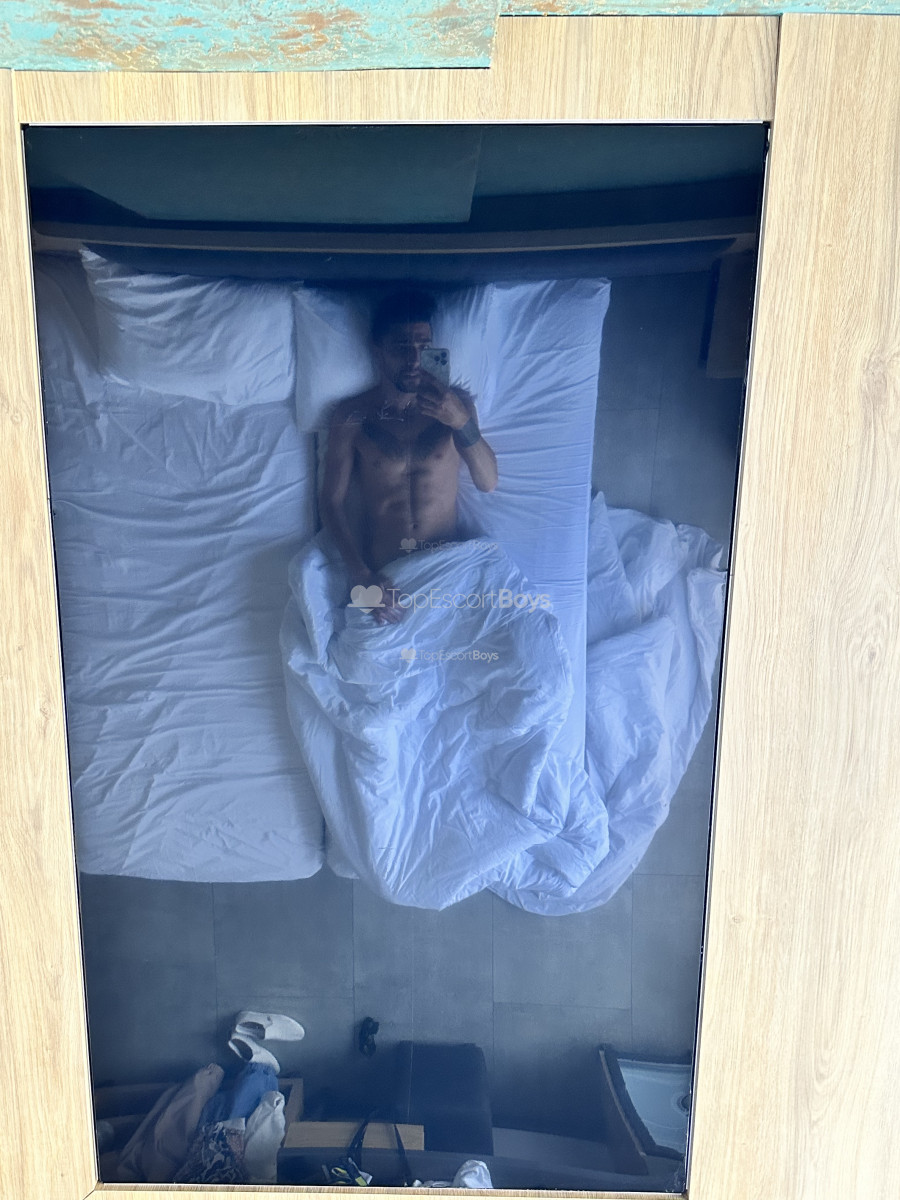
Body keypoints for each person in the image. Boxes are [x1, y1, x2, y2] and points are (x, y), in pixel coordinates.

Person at [320, 288, 498, 625]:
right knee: (362, 655)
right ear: (378, 350)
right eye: (401, 347)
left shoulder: (457, 405)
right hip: (387, 583)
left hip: (449, 572)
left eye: (423, 346)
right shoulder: (352, 415)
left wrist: (460, 421)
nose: (414, 359)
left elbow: (488, 482)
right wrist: (361, 575)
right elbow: (331, 502)